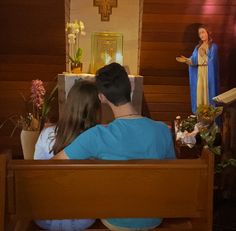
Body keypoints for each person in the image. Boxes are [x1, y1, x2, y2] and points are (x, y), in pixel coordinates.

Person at [53, 62, 176, 230]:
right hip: (154, 218)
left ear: (101, 97)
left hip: (116, 222)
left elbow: (53, 166)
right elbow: (171, 177)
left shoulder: (96, 135)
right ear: (130, 89)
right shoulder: (162, 130)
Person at [34, 79, 101, 231]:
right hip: (83, 218)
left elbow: (36, 178)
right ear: (95, 109)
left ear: (69, 104)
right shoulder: (98, 140)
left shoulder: (47, 135)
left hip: (46, 217)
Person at [176, 24, 219, 114]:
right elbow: (194, 61)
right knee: (199, 94)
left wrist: (204, 54)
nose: (201, 35)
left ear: (208, 33)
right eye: (200, 33)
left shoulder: (213, 46)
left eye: (203, 32)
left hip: (208, 73)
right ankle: (200, 117)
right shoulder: (197, 47)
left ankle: (209, 117)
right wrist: (186, 60)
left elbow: (213, 62)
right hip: (200, 73)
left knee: (207, 94)